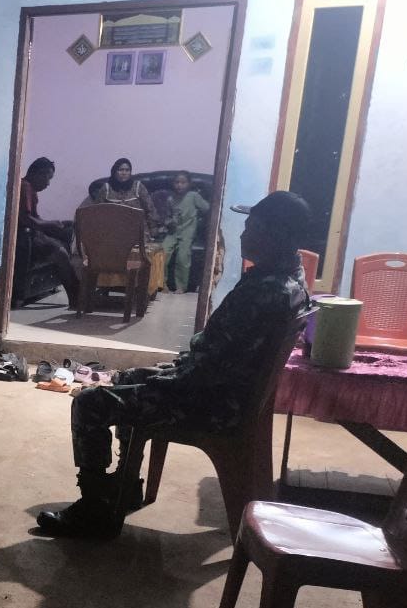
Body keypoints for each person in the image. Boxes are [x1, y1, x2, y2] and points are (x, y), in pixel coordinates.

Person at [35, 191, 313, 540]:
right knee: (126, 377)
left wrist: (160, 379)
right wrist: (158, 373)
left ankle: (93, 509)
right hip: (229, 393)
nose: (243, 234)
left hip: (212, 403)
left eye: (252, 227)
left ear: (277, 236)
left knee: (90, 401)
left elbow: (204, 371)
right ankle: (124, 486)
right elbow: (216, 358)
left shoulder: (262, 292)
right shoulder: (291, 280)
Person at [18, 157, 79, 308]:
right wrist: (51, 224)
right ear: (38, 173)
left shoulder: (31, 189)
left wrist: (58, 223)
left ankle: (78, 293)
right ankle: (76, 298)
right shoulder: (25, 187)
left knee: (67, 234)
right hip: (25, 236)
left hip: (31, 233)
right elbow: (26, 219)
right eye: (48, 178)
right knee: (61, 253)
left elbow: (35, 217)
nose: (48, 183)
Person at [162, 172, 210, 293]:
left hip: (187, 232)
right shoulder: (171, 199)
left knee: (183, 256)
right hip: (173, 232)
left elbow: (207, 208)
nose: (179, 185)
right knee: (162, 253)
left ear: (189, 184)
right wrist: (169, 222)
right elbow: (167, 217)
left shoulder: (193, 196)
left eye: (183, 182)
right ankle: (161, 283)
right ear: (173, 184)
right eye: (177, 182)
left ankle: (181, 286)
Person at [92, 158, 156, 224]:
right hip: (114, 225)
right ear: (114, 171)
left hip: (137, 225)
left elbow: (150, 209)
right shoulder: (106, 188)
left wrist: (152, 227)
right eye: (121, 170)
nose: (124, 173)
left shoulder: (138, 186)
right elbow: (96, 211)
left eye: (127, 170)